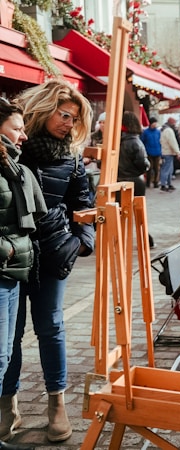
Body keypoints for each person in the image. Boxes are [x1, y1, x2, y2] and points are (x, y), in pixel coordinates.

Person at [4, 79, 95, 443]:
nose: (68, 124)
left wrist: (80, 244)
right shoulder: (11, 151)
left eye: (73, 119)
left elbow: (83, 204)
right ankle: (6, 403)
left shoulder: (70, 159)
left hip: (54, 253)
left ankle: (56, 404)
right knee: (8, 334)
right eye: (64, 115)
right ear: (43, 110)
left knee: (51, 328)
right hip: (12, 256)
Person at [0, 98, 47, 450]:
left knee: (3, 355)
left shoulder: (13, 166)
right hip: (4, 268)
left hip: (13, 271)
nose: (23, 136)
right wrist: (8, 249)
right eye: (16, 128)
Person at [118, 111, 149, 196]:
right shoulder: (135, 142)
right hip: (134, 179)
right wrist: (147, 166)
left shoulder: (115, 141)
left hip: (117, 180)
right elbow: (142, 162)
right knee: (135, 207)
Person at [159, 117, 180, 192]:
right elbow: (172, 142)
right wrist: (177, 152)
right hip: (168, 152)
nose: (175, 124)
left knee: (168, 168)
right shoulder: (169, 131)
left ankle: (167, 183)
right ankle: (164, 184)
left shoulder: (163, 129)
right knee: (167, 169)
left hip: (165, 152)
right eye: (174, 122)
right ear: (172, 122)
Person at [141, 117, 162, 188]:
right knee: (149, 168)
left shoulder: (158, 132)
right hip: (149, 152)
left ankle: (156, 182)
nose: (155, 124)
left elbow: (160, 141)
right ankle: (148, 182)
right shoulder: (146, 132)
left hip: (157, 152)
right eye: (154, 123)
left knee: (157, 168)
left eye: (156, 123)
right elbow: (142, 141)